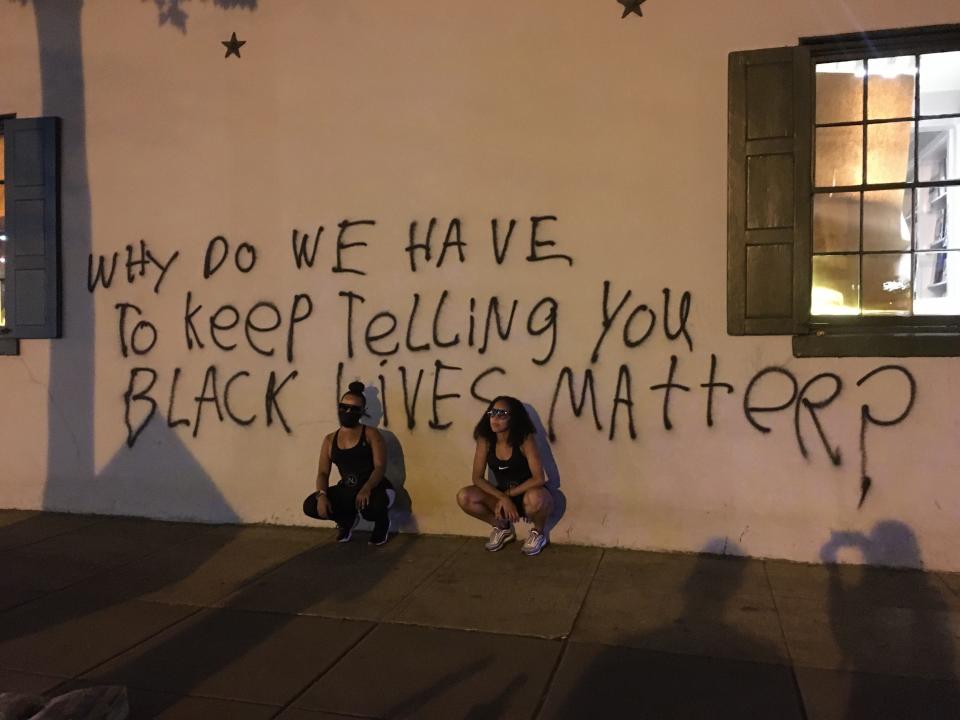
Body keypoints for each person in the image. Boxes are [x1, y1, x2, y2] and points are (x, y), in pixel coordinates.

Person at [456, 396, 553, 556]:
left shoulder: (524, 439)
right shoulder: (485, 440)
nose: (495, 419)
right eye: (492, 413)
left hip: (526, 493)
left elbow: (539, 478)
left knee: (537, 498)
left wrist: (508, 496)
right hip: (500, 494)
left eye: (502, 414)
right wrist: (503, 498)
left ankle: (538, 532)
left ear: (513, 418)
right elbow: (477, 478)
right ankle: (501, 527)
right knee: (464, 496)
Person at [303, 381, 394, 545]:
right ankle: (346, 520)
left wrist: (367, 487)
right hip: (348, 488)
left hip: (376, 487)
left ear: (362, 412)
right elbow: (323, 472)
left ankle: (382, 523)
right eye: (344, 407)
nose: (347, 412)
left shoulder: (371, 434)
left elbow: (380, 467)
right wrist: (322, 495)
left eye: (354, 409)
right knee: (311, 505)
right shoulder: (330, 439)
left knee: (371, 508)